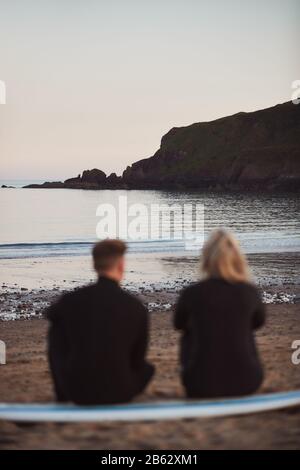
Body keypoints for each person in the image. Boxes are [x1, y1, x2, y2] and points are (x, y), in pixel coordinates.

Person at [47, 239, 154, 405]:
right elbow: (138, 359)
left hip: (76, 391)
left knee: (56, 329)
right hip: (121, 391)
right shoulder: (135, 306)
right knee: (147, 368)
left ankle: (61, 396)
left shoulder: (70, 300)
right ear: (121, 266)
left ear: (94, 265)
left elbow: (49, 314)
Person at [174, 229, 265, 398]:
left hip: (199, 384)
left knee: (188, 333)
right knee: (245, 327)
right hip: (248, 381)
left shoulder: (192, 293)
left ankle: (200, 367)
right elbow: (258, 322)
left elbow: (178, 324)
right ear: (238, 258)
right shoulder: (249, 292)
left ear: (207, 259)